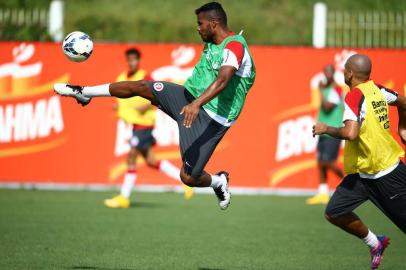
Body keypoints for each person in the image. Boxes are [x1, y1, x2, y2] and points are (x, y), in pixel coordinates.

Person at [54, 2, 256, 210]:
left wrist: (196, 104)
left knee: (188, 177)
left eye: (200, 23)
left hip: (211, 118)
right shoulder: (213, 41)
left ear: (214, 24)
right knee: (142, 86)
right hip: (186, 98)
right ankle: (84, 92)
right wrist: (193, 102)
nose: (197, 28)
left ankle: (218, 182)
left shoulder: (235, 46)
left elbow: (223, 79)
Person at [313, 54, 406, 269]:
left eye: (345, 69)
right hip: (363, 175)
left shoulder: (354, 96)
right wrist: (402, 127)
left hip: (387, 175)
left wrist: (326, 129)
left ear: (349, 73)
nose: (344, 73)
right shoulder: (378, 90)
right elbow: (403, 101)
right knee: (334, 211)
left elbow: (351, 133)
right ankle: (376, 243)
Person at [104, 48, 193, 209]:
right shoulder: (122, 78)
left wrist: (146, 105)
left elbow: (156, 95)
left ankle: (124, 197)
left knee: (131, 156)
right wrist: (117, 108)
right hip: (135, 125)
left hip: (144, 124)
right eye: (129, 60)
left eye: (134, 60)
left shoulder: (145, 77)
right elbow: (123, 102)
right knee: (151, 161)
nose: (132, 63)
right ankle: (185, 181)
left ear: (138, 61)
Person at [307, 64, 344, 205]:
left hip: (333, 130)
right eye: (325, 72)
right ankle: (323, 192)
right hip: (323, 130)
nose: (327, 75)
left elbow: (328, 107)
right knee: (321, 161)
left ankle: (348, 181)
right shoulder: (327, 88)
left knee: (329, 161)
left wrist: (321, 90)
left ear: (333, 73)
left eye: (329, 72)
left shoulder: (337, 88)